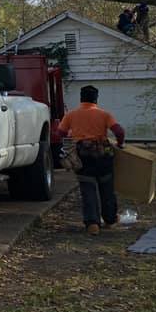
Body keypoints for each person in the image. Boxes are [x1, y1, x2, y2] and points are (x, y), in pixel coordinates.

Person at [59, 85, 126, 234]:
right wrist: (120, 144)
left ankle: (92, 224)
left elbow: (61, 132)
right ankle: (110, 220)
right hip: (103, 156)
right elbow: (119, 131)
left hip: (83, 156)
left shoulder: (71, 115)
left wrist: (71, 138)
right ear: (96, 99)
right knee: (107, 188)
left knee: (88, 189)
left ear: (81, 98)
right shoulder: (104, 114)